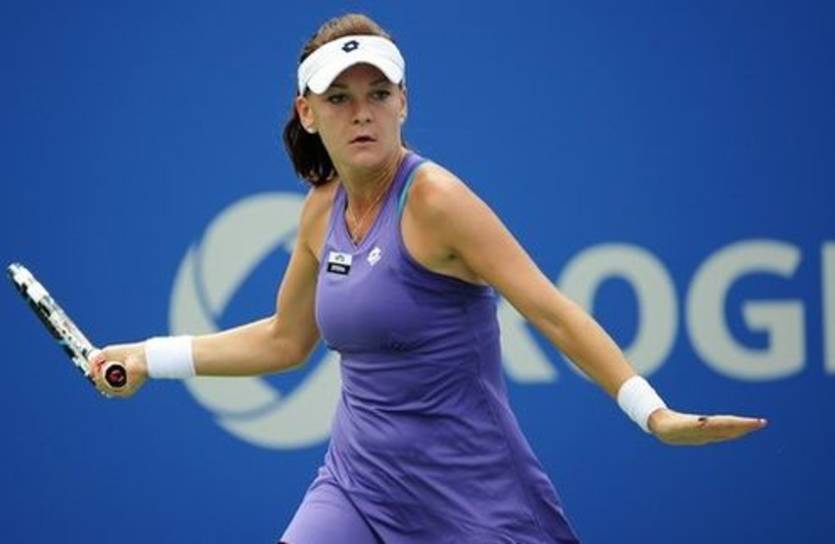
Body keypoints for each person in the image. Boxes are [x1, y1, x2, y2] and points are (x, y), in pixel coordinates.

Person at [87, 13, 768, 544]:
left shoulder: (438, 202)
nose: (362, 112)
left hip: (475, 503)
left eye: (378, 94)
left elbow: (552, 312)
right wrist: (149, 356)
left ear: (403, 103)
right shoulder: (321, 208)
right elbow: (284, 341)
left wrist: (653, 414)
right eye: (339, 97)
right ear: (307, 113)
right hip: (355, 490)